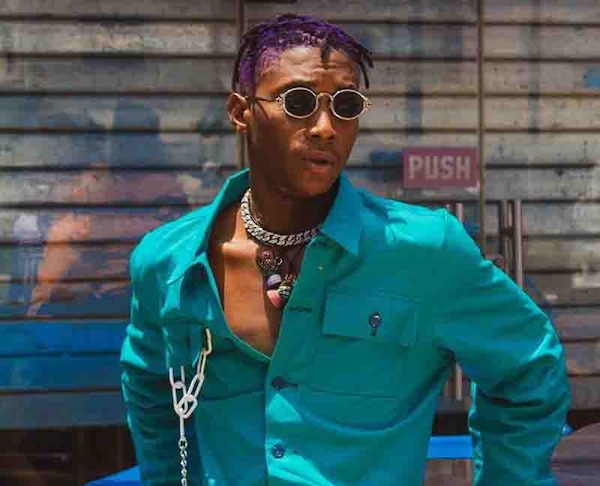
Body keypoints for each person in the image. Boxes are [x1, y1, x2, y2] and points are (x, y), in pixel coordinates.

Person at [120, 14, 570, 485]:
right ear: (241, 112)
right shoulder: (168, 263)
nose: (324, 127)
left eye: (346, 105)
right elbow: (152, 396)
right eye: (297, 102)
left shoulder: (422, 250)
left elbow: (528, 369)